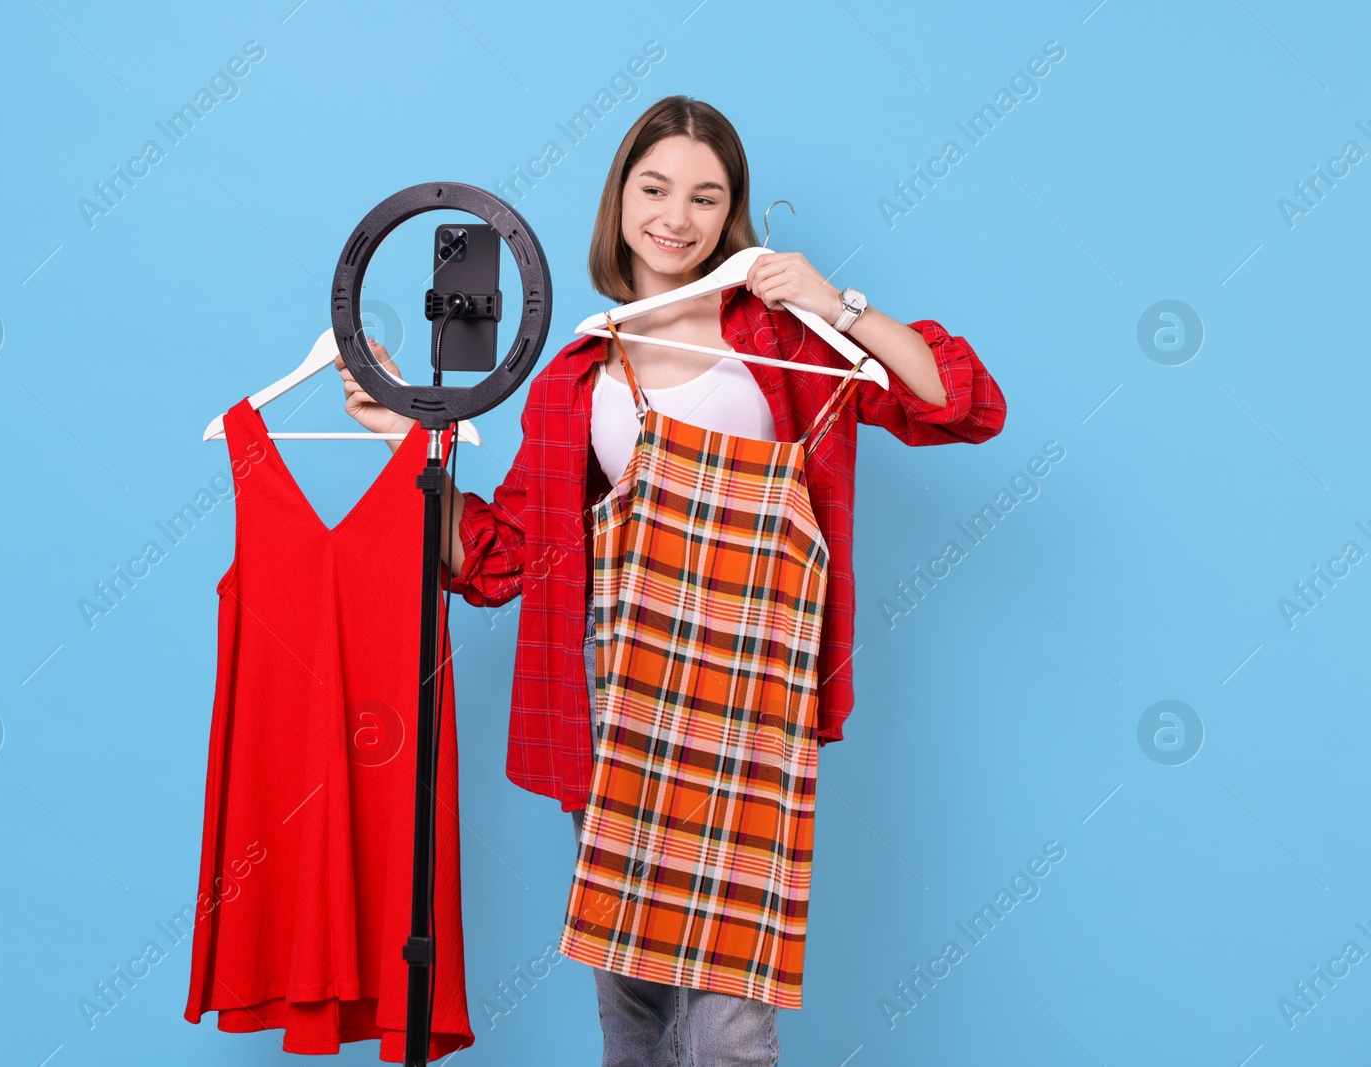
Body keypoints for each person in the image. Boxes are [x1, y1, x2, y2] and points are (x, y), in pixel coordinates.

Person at [335, 95, 1006, 1066]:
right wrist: (410, 437)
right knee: (634, 1008)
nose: (675, 216)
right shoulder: (577, 373)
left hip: (749, 707)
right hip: (618, 707)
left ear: (730, 213)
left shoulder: (782, 338)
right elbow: (495, 559)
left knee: (728, 1023)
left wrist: (835, 301)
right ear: (618, 201)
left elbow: (960, 403)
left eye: (705, 195)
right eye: (653, 188)